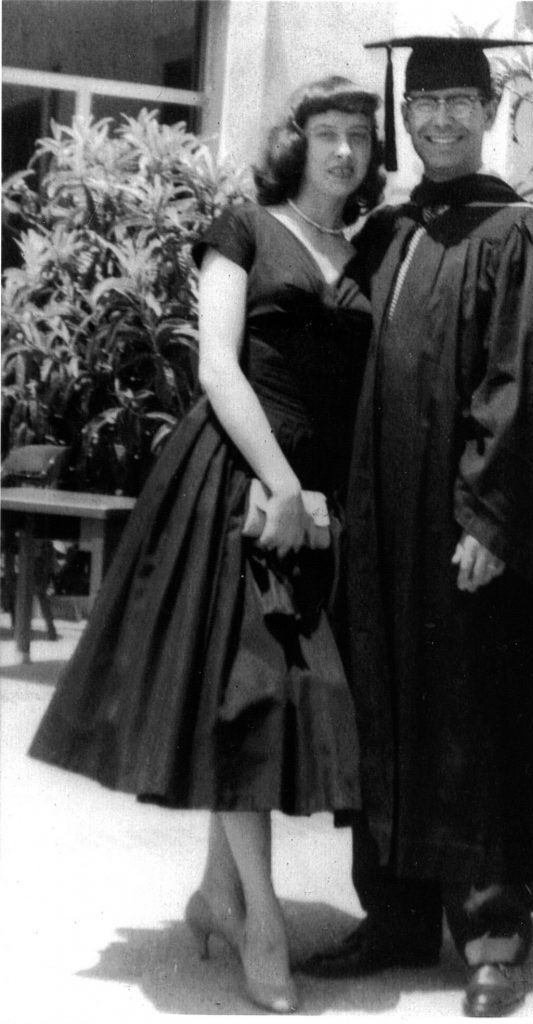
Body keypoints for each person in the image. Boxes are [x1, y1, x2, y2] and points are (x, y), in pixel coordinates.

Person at [303, 38, 533, 1018]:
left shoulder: (515, 233)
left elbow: (521, 383)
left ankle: (492, 937)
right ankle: (395, 919)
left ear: (491, 111)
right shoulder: (389, 234)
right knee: (384, 712)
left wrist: (490, 518)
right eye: (426, 103)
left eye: (460, 100)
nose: (442, 119)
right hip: (380, 527)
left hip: (460, 531)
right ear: (404, 117)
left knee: (475, 721)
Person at [28, 75, 384, 1015]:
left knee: (265, 701)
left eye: (358, 136)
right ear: (297, 142)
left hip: (317, 498)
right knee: (246, 694)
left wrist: (320, 497)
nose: (342, 152)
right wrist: (278, 483)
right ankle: (261, 920)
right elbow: (217, 366)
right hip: (235, 480)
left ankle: (219, 896)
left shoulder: (369, 251)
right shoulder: (245, 229)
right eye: (327, 134)